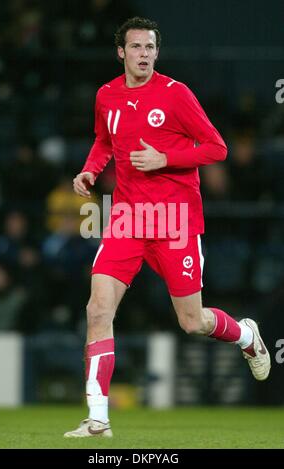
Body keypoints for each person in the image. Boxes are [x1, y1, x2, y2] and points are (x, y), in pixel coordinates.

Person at [64, 17, 270, 438]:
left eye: (150, 47)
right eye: (136, 47)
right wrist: (89, 171)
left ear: (157, 52)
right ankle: (98, 417)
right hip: (126, 218)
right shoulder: (106, 95)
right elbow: (105, 140)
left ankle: (246, 334)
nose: (144, 55)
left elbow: (217, 147)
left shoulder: (176, 95)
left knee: (192, 322)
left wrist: (165, 159)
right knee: (97, 310)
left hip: (175, 221)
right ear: (120, 52)